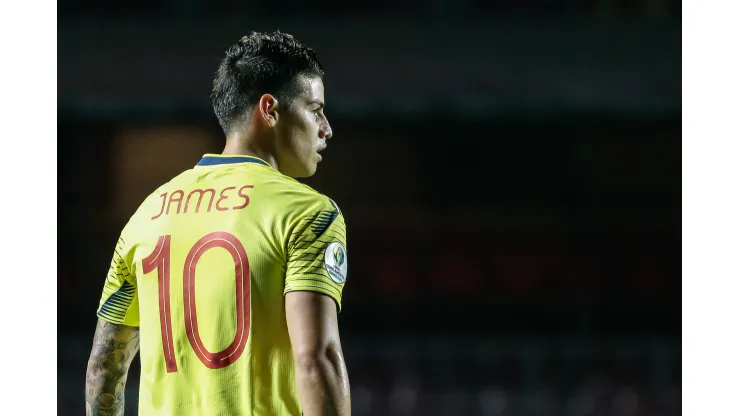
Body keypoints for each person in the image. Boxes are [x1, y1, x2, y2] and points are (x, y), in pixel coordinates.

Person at [85, 31, 351, 416]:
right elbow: (316, 359)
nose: (326, 128)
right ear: (270, 109)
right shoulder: (308, 213)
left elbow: (104, 368)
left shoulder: (146, 215)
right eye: (315, 109)